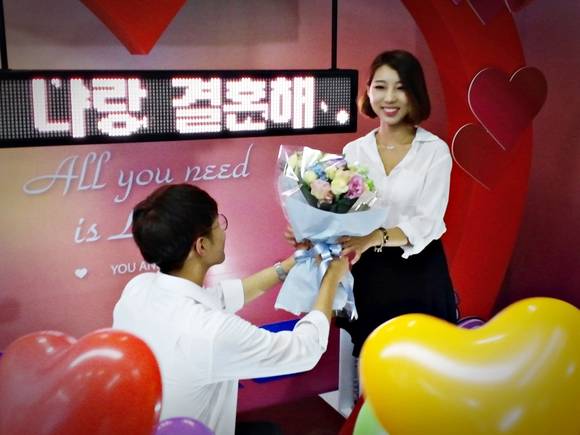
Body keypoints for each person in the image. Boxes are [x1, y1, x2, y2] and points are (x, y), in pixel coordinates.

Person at [112, 183, 349, 435]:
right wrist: (331, 279)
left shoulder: (139, 288)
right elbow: (305, 350)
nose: (224, 232)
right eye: (219, 224)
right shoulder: (212, 334)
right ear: (201, 246)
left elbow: (222, 297)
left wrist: (292, 263)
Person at [336, 50, 458, 362]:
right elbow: (345, 214)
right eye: (380, 86)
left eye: (401, 87)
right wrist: (313, 232)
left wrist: (374, 237)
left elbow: (427, 222)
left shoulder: (434, 151)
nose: (389, 97)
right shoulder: (354, 151)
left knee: (424, 364)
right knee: (373, 364)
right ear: (368, 91)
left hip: (419, 272)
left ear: (415, 93)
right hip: (369, 273)